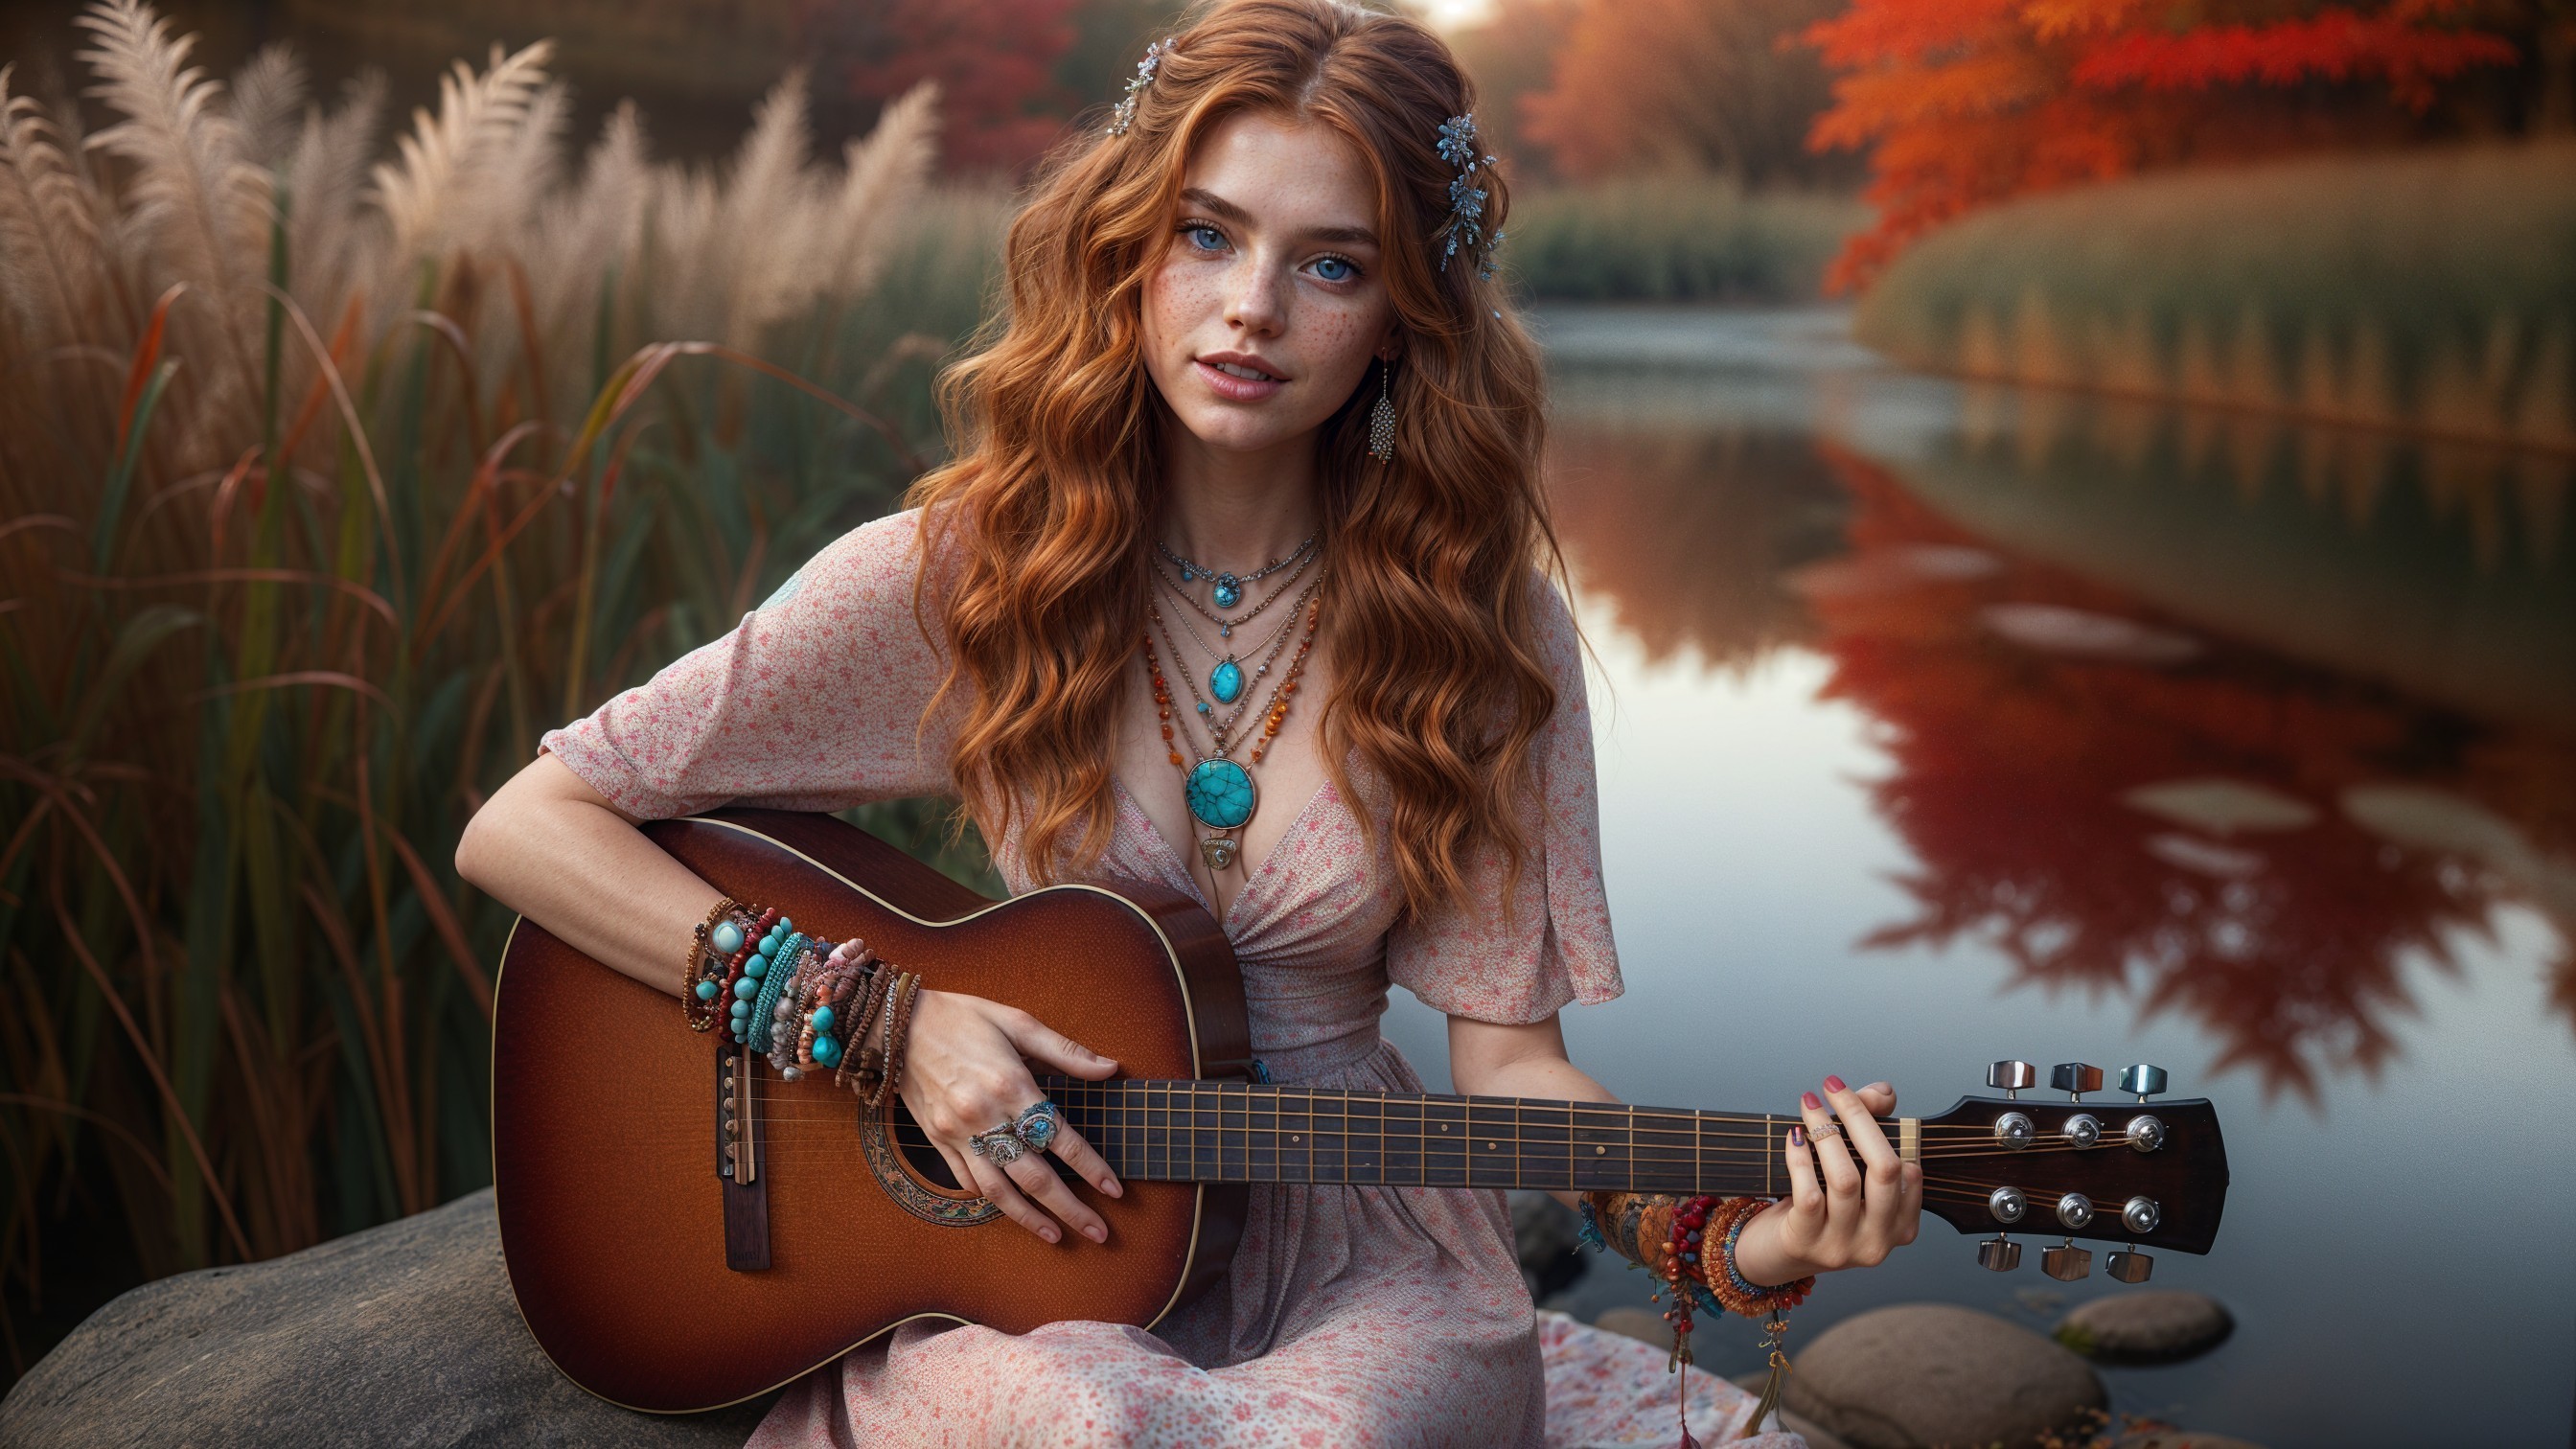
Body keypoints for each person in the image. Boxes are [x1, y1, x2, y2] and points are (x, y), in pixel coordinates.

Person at [454, 2, 1919, 1442]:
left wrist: (1752, 1241)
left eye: (1329, 264)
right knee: (1084, 1423)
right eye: (1208, 234)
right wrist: (879, 1023)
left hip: (1370, 1262)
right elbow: (528, 826)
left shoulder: (1482, 632)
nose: (1251, 309)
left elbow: (1513, 1070)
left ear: (1405, 320)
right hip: (1043, 1259)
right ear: (1130, 248)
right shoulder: (974, 576)